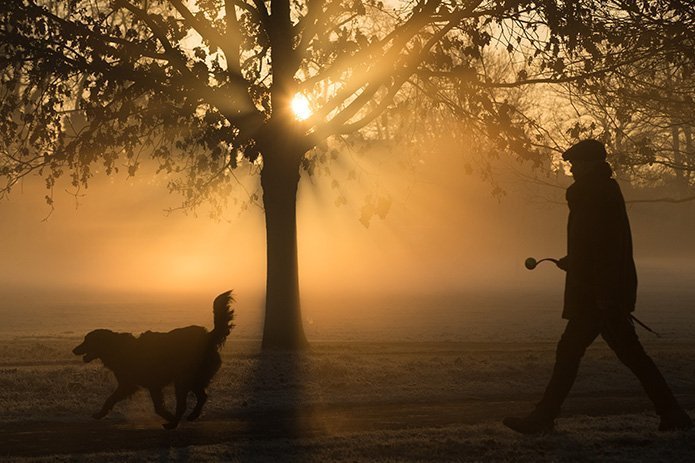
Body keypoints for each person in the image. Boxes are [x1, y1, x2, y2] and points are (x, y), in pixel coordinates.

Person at [503, 139, 693, 434]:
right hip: (601, 292)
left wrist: (605, 294)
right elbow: (594, 245)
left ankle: (543, 418)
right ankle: (672, 413)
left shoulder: (593, 195)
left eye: (576, 164)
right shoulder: (600, 192)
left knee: (572, 352)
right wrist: (574, 260)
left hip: (597, 295)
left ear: (589, 165)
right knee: (628, 356)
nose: (572, 169)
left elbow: (604, 249)